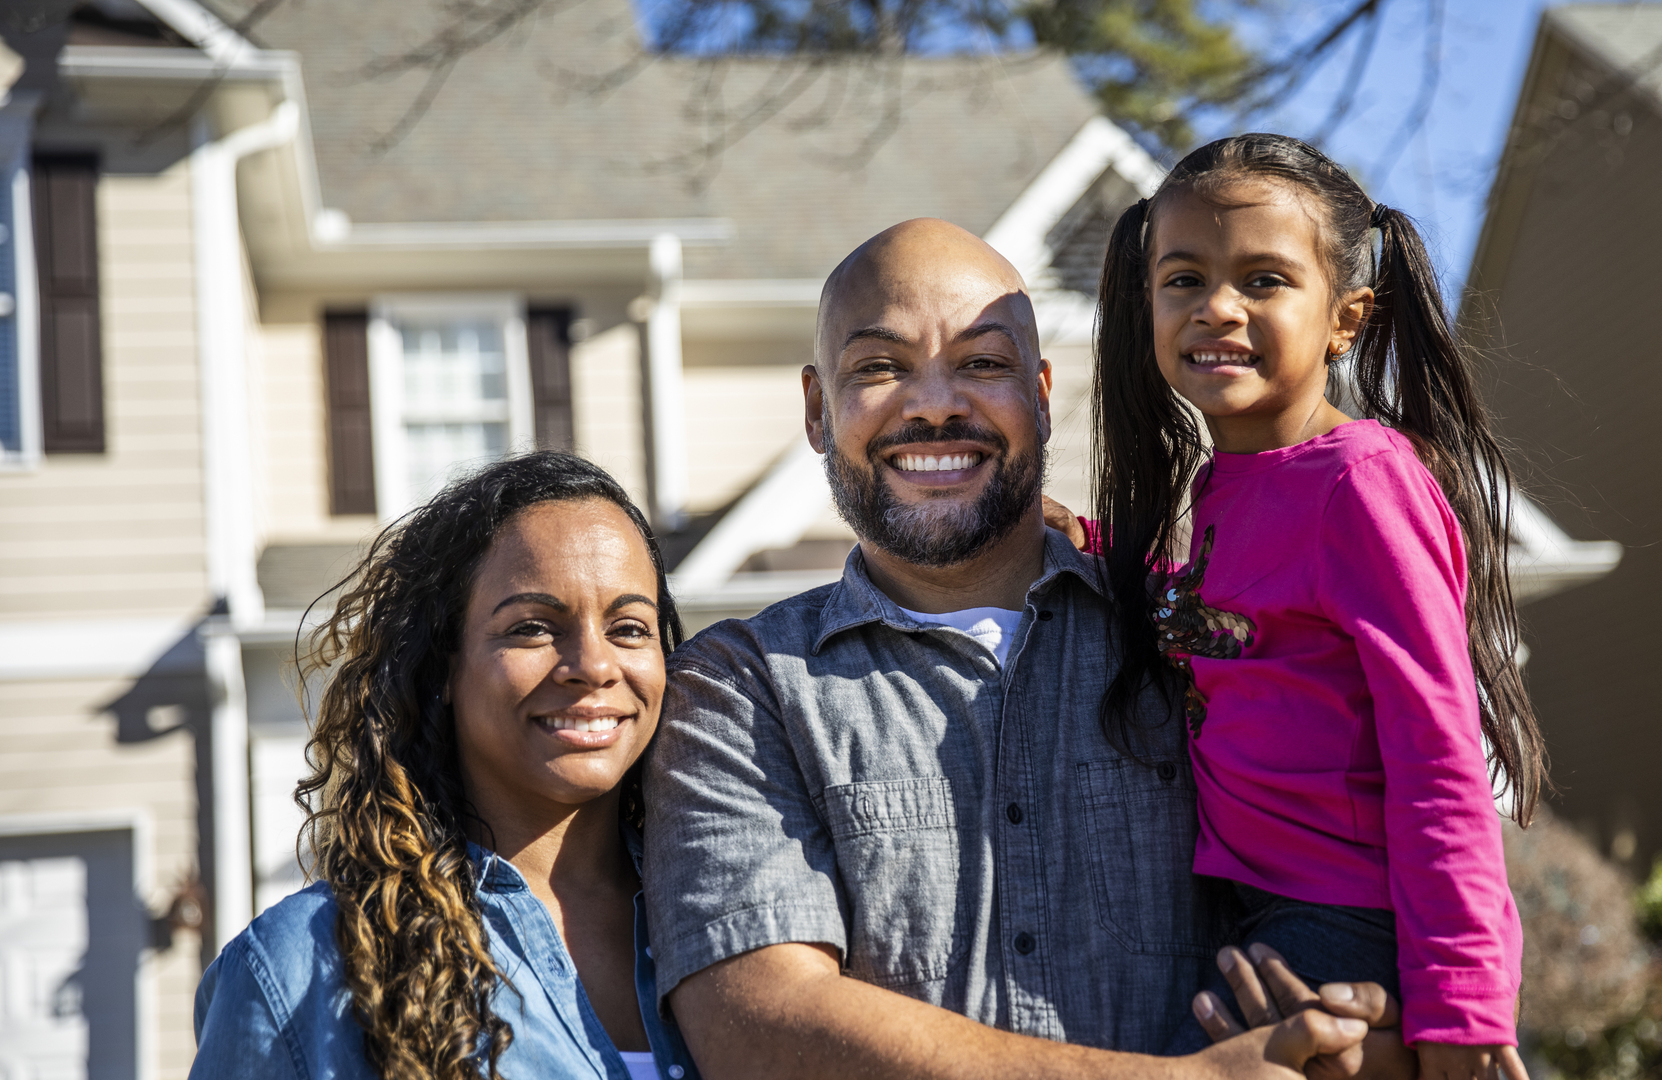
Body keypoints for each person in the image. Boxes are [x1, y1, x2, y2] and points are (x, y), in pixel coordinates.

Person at [642, 218, 1411, 1080]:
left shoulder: (1192, 632)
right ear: (820, 410)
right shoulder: (741, 690)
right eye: (882, 366)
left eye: (982, 364)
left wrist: (1364, 1029)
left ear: (1042, 396)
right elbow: (758, 1025)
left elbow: (1359, 848)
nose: (935, 404)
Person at [1087, 132, 1537, 1080]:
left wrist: (1461, 1004)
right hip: (1247, 908)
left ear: (1347, 320)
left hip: (1347, 920)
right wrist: (1083, 546)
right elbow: (1243, 631)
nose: (1217, 306)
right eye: (1182, 278)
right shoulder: (1228, 485)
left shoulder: (1362, 483)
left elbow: (1437, 747)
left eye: (1263, 280)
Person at [189, 453, 702, 1080]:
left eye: (628, 628)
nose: (593, 665)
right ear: (444, 667)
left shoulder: (739, 908)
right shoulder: (299, 970)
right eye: (533, 627)